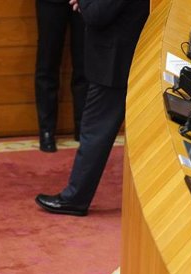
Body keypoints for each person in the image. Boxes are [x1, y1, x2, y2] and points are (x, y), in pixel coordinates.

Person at [35, 0, 149, 216]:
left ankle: (75, 199)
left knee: (94, 133)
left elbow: (97, 15)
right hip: (124, 57)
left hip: (114, 63)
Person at [34, 0, 88, 152]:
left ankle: (83, 129)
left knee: (84, 65)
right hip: (50, 3)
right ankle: (46, 132)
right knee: (47, 64)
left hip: (84, 2)